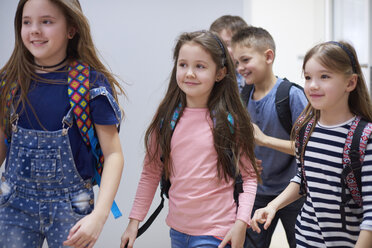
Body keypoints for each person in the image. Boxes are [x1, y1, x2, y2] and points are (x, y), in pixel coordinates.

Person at [0, 0, 124, 247]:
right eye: (27, 22)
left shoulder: (90, 85)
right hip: (14, 204)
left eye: (46, 21)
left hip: (70, 206)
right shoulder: (9, 81)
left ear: (72, 29)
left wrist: (99, 216)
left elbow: (114, 155)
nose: (34, 29)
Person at [120, 30, 259, 248]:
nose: (189, 73)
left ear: (220, 73)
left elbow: (249, 178)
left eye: (200, 66)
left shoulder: (230, 121)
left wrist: (241, 223)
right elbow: (151, 172)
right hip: (178, 232)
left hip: (217, 234)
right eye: (183, 64)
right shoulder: (167, 118)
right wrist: (133, 222)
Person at [251, 41, 372, 247]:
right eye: (308, 77)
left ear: (350, 83)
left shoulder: (365, 137)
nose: (313, 85)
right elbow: (304, 178)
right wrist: (273, 206)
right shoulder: (305, 129)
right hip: (305, 240)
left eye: (324, 76)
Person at [231, 26, 308, 248]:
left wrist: (264, 140)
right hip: (257, 192)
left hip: (293, 193)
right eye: (237, 62)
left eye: (245, 60)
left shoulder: (291, 95)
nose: (240, 68)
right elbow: (238, 141)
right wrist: (240, 159)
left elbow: (308, 147)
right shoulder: (242, 97)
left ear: (268, 56)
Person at [210, 15, 249, 92]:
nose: (221, 49)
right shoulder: (208, 74)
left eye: (228, 44)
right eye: (217, 44)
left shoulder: (249, 77)